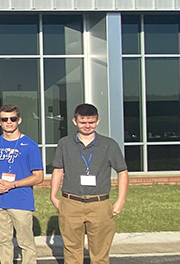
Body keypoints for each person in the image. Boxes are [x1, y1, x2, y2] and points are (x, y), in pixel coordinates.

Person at [50, 104, 128, 264]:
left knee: (100, 254)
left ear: (97, 121)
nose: (87, 125)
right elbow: (58, 170)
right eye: (83, 122)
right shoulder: (65, 143)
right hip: (71, 202)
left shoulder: (109, 144)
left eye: (91, 122)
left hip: (99, 203)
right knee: (72, 253)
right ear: (74, 121)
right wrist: (53, 195)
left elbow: (122, 172)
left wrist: (120, 200)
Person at [0, 104, 43, 264]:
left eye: (13, 119)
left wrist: (13, 184)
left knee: (26, 243)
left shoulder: (30, 145)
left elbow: (38, 176)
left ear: (19, 120)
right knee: (3, 242)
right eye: (4, 119)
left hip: (21, 201)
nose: (9, 122)